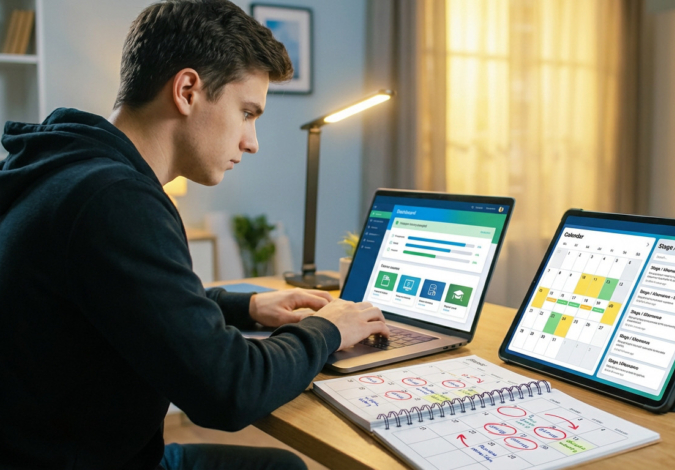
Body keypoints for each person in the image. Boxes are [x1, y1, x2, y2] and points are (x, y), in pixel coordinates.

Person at [0, 1, 389, 469]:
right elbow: (228, 391)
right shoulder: (115, 199)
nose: (253, 141)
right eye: (247, 112)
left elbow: (127, 298)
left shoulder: (62, 165)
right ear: (187, 90)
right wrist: (328, 330)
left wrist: (246, 306)